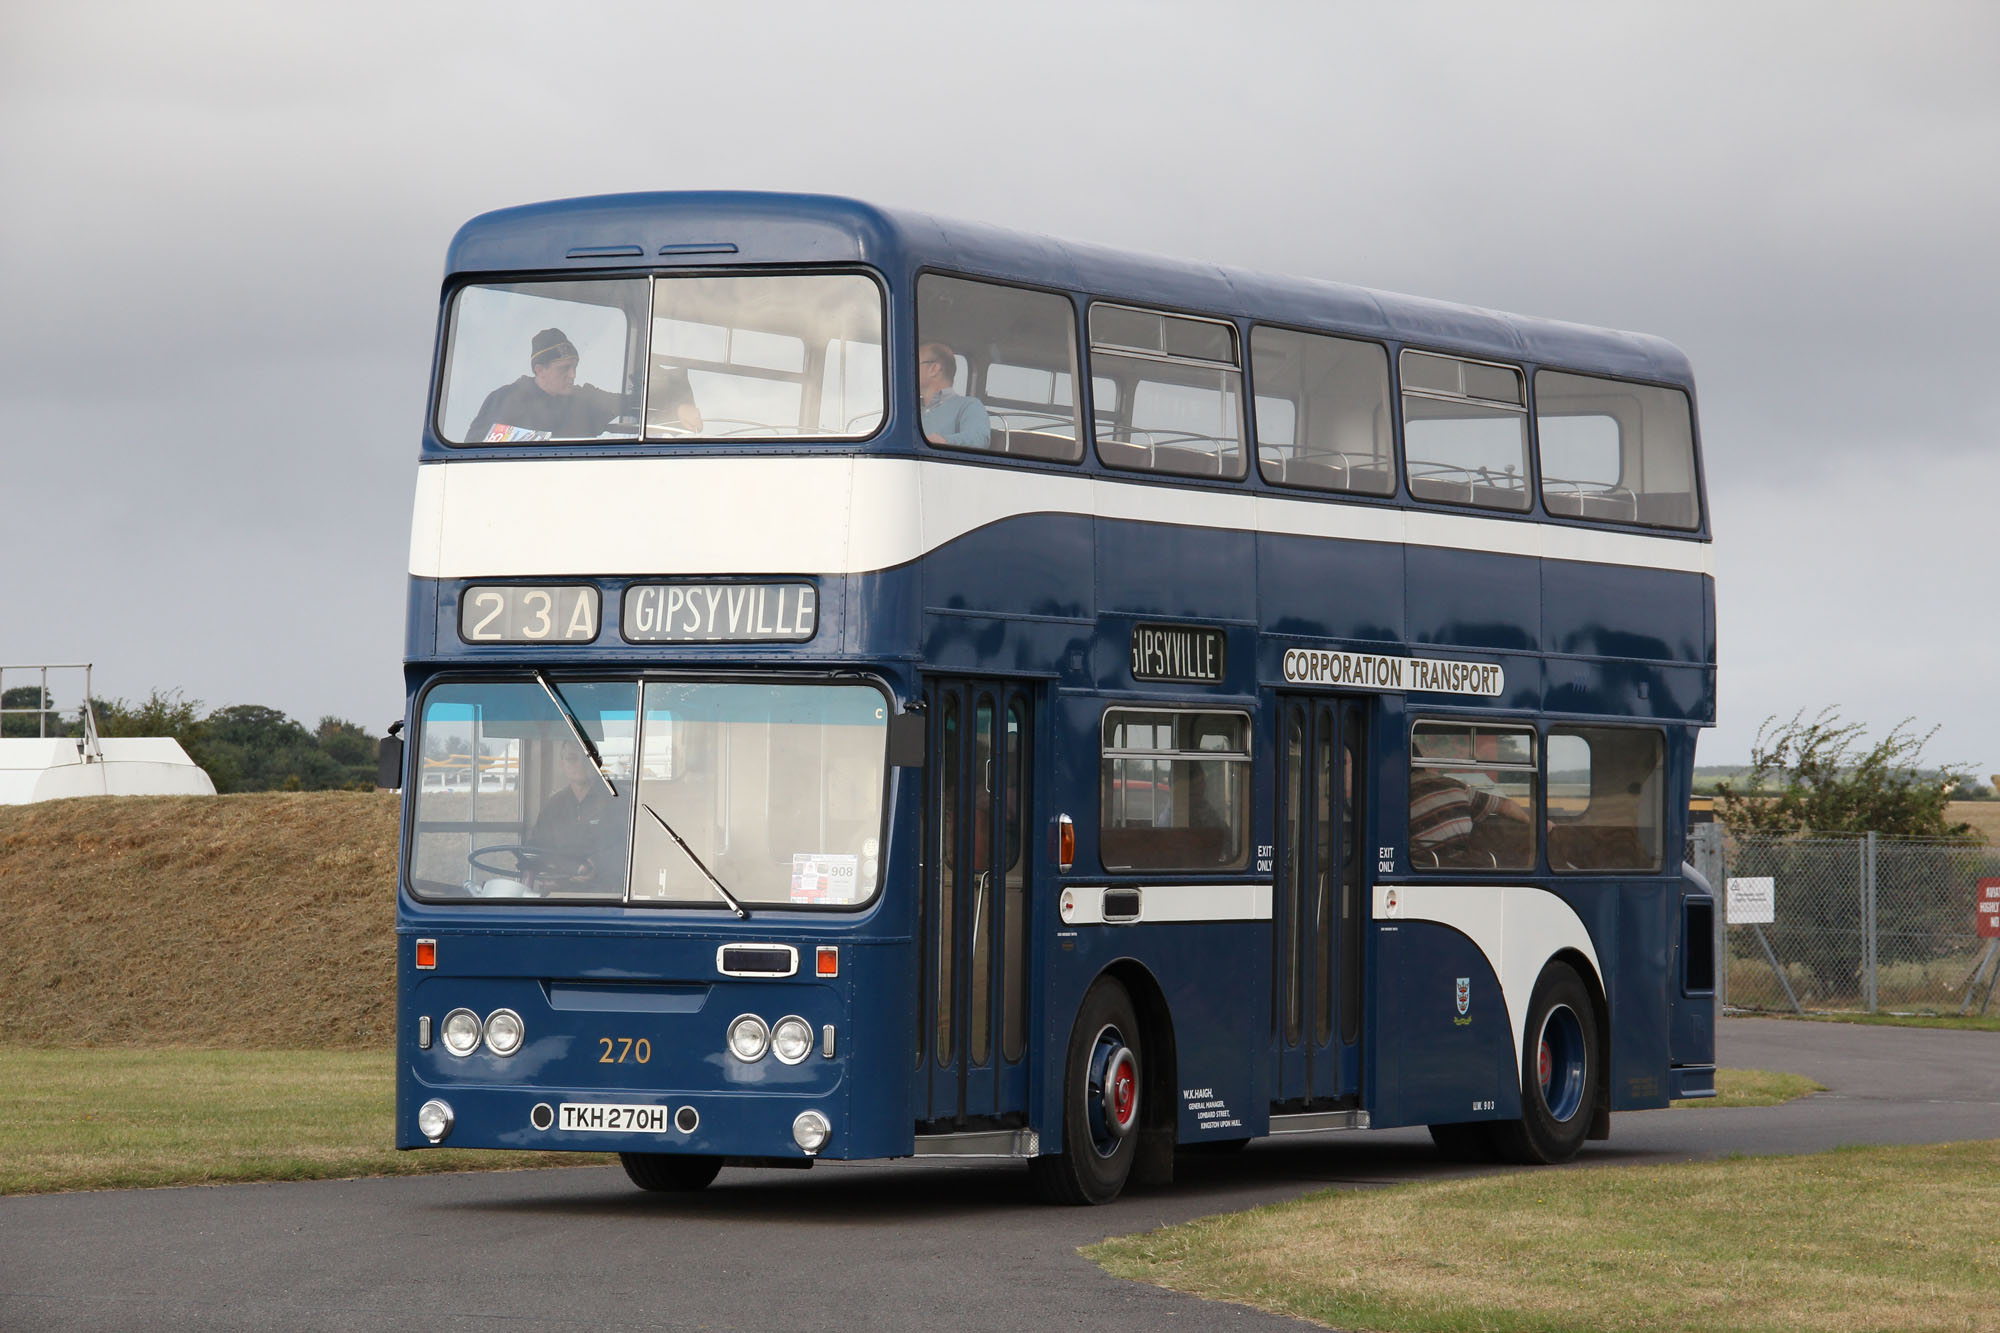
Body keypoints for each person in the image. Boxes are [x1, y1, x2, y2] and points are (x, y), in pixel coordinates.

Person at [466, 328, 699, 442]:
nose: (572, 375)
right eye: (563, 368)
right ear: (540, 370)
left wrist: (676, 408)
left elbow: (629, 404)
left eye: (574, 366)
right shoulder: (506, 399)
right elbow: (477, 446)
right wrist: (546, 440)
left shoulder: (584, 399)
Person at [519, 745, 622, 893]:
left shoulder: (617, 800)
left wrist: (597, 865)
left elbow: (629, 849)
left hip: (607, 898)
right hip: (558, 895)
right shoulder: (554, 805)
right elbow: (535, 847)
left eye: (588, 758)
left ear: (598, 762)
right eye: (572, 758)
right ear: (562, 764)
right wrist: (528, 880)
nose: (580, 764)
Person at [1408, 766, 1532, 867]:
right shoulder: (1450, 783)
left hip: (1428, 864)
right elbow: (1507, 806)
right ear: (1423, 766)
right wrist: (1532, 823)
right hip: (1465, 861)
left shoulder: (1398, 792)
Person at [918, 342, 990, 448]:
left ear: (934, 369)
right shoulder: (911, 410)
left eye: (914, 362)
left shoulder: (969, 405)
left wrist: (943, 441)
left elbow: (979, 439)